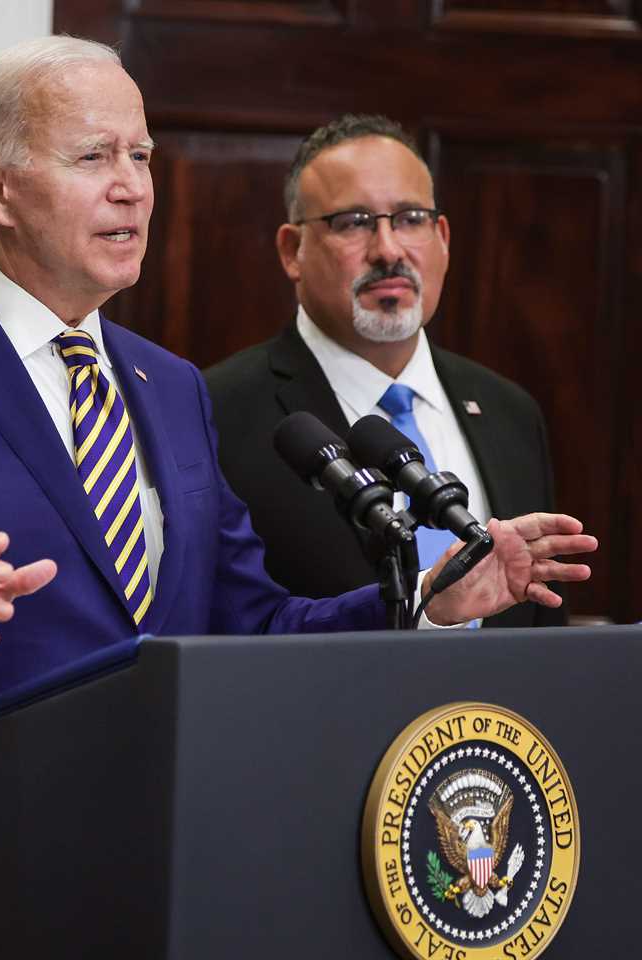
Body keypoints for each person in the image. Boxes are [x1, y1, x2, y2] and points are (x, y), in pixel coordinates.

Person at [0, 46, 594, 960]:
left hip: (157, 887)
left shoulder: (168, 385)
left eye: (142, 158)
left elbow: (250, 622)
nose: (133, 190)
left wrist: (426, 602)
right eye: (93, 158)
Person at [204, 114, 565, 627]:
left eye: (410, 218)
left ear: (441, 238)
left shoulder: (509, 410)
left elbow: (539, 618)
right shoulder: (217, 412)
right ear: (292, 251)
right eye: (353, 222)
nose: (389, 250)